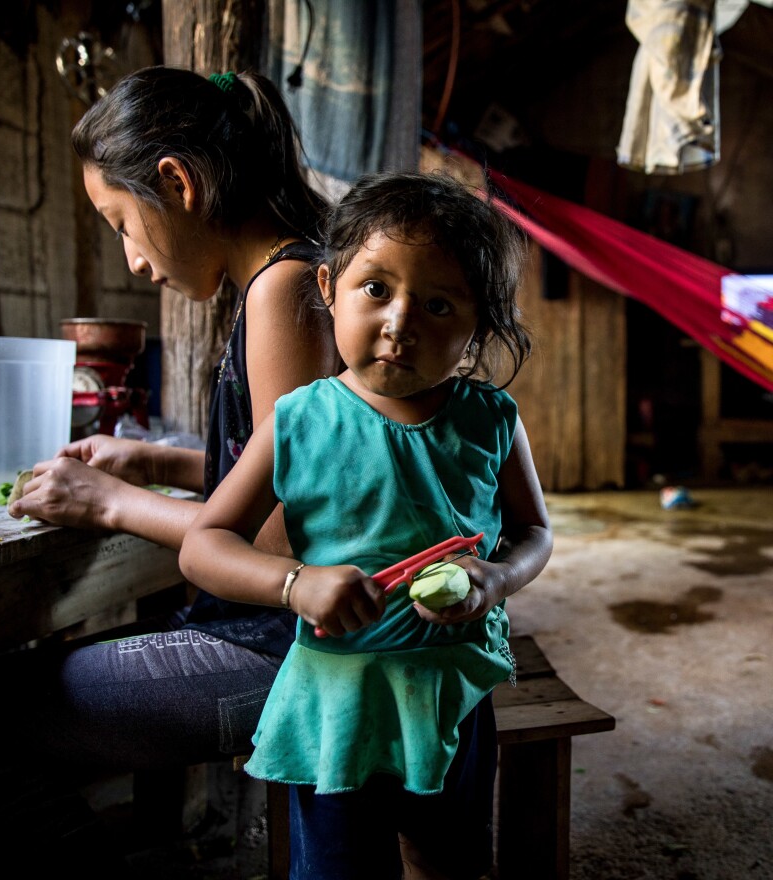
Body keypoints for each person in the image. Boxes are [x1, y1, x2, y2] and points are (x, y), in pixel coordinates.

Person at [0, 65, 338, 875]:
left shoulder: (281, 289)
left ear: (177, 183)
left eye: (123, 222)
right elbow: (291, 474)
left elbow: (277, 546)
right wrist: (155, 458)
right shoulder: (280, 276)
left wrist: (112, 503)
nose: (133, 259)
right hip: (269, 634)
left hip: (283, 651)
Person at [180, 170, 554, 880]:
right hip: (336, 702)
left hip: (451, 694)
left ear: (477, 327)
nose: (400, 321)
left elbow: (535, 533)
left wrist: (496, 577)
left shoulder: (490, 421)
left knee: (450, 860)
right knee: (341, 868)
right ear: (327, 289)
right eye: (376, 289)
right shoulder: (298, 420)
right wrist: (295, 584)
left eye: (439, 304)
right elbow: (204, 545)